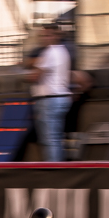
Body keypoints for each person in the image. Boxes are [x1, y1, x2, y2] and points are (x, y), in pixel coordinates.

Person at [26, 24, 72, 162]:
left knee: (49, 139)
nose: (43, 39)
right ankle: (59, 167)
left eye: (47, 35)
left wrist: (22, 76)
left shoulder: (50, 52)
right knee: (56, 137)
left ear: (56, 36)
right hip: (60, 98)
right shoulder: (63, 52)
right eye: (42, 36)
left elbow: (36, 76)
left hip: (49, 99)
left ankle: (54, 170)